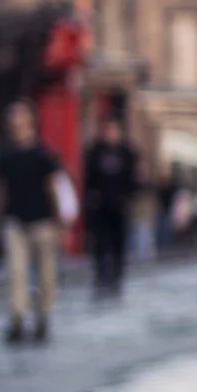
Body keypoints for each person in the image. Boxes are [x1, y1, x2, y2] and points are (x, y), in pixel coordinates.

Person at [0, 100, 62, 346]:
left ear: (29, 122)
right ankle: (18, 319)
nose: (15, 126)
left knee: (45, 275)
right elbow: (0, 189)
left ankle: (43, 318)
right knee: (16, 272)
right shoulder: (6, 155)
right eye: (12, 122)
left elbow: (53, 188)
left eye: (19, 121)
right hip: (15, 222)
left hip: (42, 222)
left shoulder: (43, 154)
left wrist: (58, 220)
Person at [82, 103, 139, 299]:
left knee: (118, 246)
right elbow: (88, 178)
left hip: (120, 208)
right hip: (100, 207)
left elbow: (134, 179)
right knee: (100, 245)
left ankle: (116, 279)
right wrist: (91, 199)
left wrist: (128, 198)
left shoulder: (127, 152)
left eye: (113, 129)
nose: (110, 133)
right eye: (107, 129)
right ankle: (100, 278)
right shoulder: (95, 151)